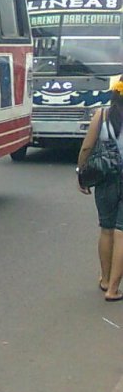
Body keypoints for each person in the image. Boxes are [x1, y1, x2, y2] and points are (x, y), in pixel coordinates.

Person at [78, 82, 123, 300]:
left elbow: (87, 147)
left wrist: (81, 173)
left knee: (106, 228)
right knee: (122, 232)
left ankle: (105, 280)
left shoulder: (102, 115)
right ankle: (114, 289)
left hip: (106, 178)